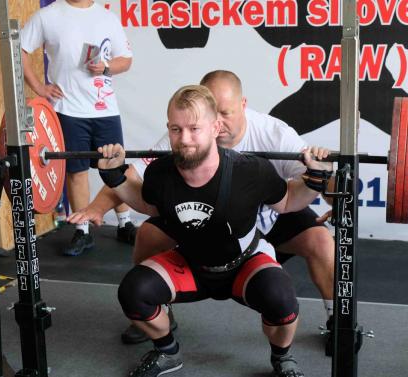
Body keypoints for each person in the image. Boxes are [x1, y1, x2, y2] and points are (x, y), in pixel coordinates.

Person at [69, 85, 334, 377]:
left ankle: (282, 359)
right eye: (176, 129)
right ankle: (167, 351)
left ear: (215, 127)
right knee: (133, 292)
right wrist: (115, 177)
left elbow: (289, 200)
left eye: (194, 129)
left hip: (244, 264)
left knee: (282, 300)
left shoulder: (249, 170)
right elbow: (147, 205)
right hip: (191, 263)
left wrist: (316, 179)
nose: (184, 138)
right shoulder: (161, 173)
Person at [122, 70, 337, 352]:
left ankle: (337, 320)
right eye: (212, 113)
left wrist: (334, 197)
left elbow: (304, 185)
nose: (219, 122)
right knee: (148, 235)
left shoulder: (272, 135)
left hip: (267, 215)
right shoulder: (185, 135)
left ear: (242, 105)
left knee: (320, 241)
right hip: (207, 224)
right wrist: (102, 194)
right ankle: (156, 310)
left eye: (225, 112)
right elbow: (135, 182)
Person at [20, 0, 135, 256]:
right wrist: (39, 87)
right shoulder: (47, 16)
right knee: (76, 171)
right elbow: (21, 50)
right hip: (68, 109)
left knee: (115, 168)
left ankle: (125, 224)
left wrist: (105, 67)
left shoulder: (107, 17)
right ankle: (82, 231)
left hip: (105, 109)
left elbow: (126, 60)